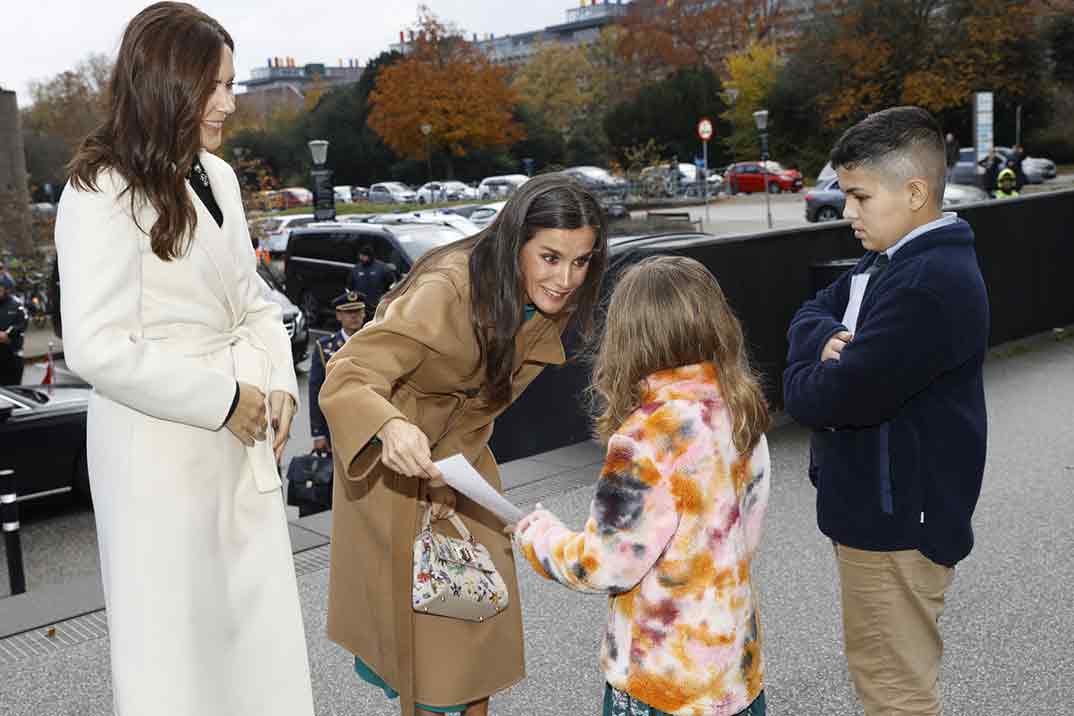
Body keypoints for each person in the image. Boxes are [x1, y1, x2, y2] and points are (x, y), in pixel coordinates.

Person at [53, 4, 314, 714]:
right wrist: (225, 400)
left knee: (254, 638)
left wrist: (278, 387)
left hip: (243, 435)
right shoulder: (98, 190)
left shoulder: (218, 176)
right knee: (172, 652)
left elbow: (255, 300)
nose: (230, 102)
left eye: (233, 83)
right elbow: (95, 345)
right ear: (166, 85)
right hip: (157, 454)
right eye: (216, 86)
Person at [318, 173, 609, 716]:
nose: (567, 278)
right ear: (515, 242)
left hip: (461, 462)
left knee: (478, 634)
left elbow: (481, 401)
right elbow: (349, 372)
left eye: (581, 260)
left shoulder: (546, 297)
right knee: (431, 657)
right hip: (393, 458)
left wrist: (451, 475)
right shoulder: (448, 288)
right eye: (550, 257)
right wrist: (390, 427)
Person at [783, 106, 989, 716]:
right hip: (887, 511)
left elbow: (826, 399)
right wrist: (820, 342)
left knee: (894, 694)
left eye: (858, 196)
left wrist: (803, 373)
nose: (847, 212)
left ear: (916, 192)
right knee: (889, 680)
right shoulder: (891, 263)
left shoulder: (924, 284)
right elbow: (811, 310)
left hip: (896, 524)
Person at [513, 255, 771, 716]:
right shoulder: (740, 410)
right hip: (734, 671)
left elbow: (604, 565)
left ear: (627, 337)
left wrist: (538, 534)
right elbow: (745, 535)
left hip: (663, 683)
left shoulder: (647, 436)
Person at [309, 289, 366, 452]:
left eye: (357, 311)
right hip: (335, 426)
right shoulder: (325, 347)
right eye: (348, 312)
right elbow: (315, 391)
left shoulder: (374, 343)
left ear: (364, 314)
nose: (354, 316)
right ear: (338, 316)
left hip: (368, 422)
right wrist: (317, 434)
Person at [346, 241, 397, 317]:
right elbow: (349, 287)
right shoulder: (356, 269)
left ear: (369, 256)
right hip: (361, 306)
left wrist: (386, 297)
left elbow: (392, 285)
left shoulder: (382, 268)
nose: (362, 257)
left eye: (364, 256)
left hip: (377, 306)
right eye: (361, 255)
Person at [0, 273, 28, 385]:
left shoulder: (16, 305)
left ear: (7, 289)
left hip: (12, 356)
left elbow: (22, 323)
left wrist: (8, 335)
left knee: (14, 391)